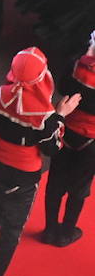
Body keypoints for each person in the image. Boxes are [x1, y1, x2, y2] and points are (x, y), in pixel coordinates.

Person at [0, 48, 80, 276]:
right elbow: (51, 148)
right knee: (11, 229)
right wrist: (60, 116)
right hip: (23, 176)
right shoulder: (44, 115)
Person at [42, 30, 95, 247]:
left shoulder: (77, 65)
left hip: (65, 132)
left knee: (55, 182)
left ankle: (49, 229)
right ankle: (67, 231)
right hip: (91, 141)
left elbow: (62, 86)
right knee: (79, 188)